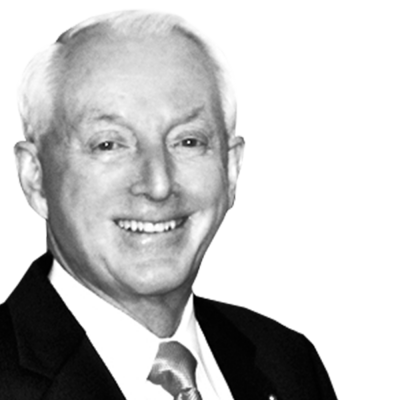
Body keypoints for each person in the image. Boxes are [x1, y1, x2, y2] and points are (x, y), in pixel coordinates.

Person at [2, 8, 337, 400]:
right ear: (35, 177)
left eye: (188, 141)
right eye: (109, 144)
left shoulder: (289, 364)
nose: (158, 184)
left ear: (232, 168)